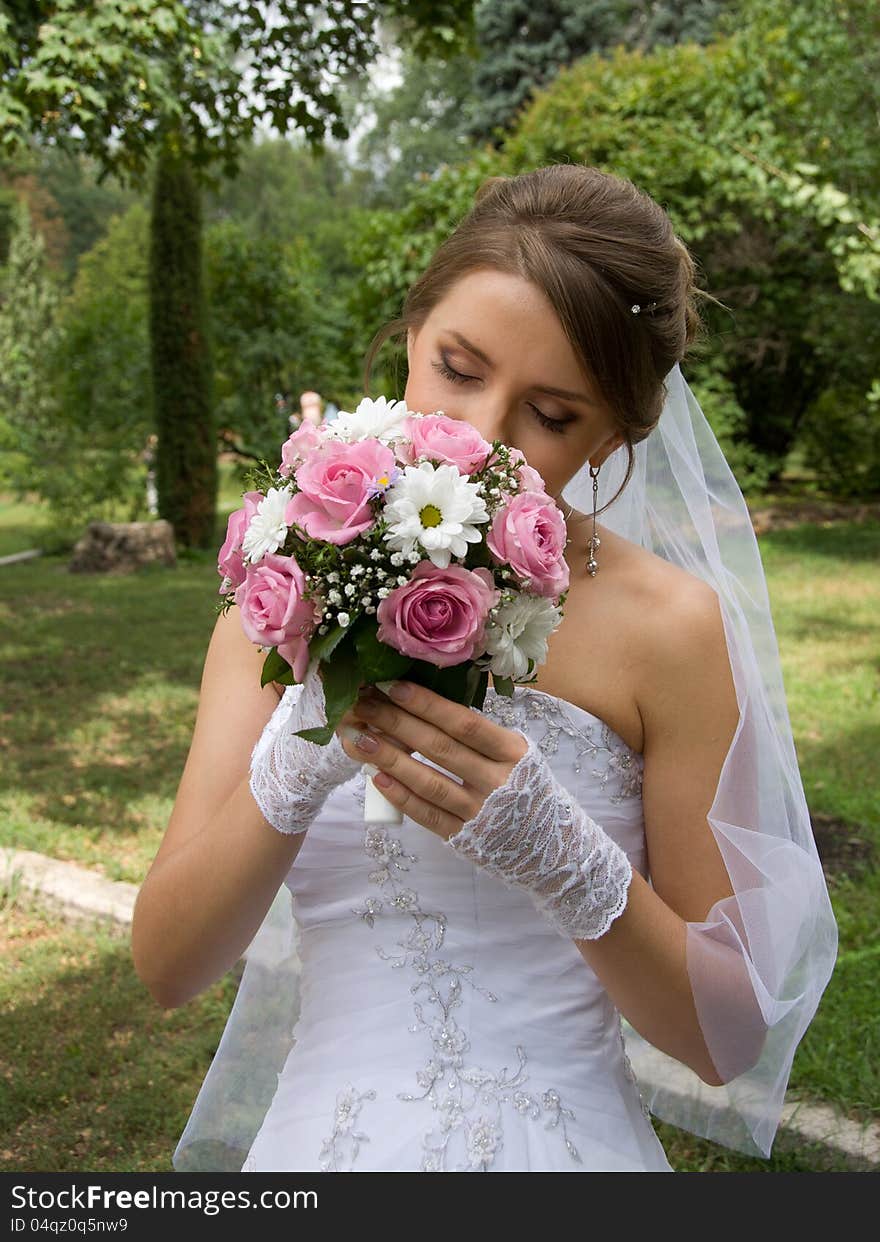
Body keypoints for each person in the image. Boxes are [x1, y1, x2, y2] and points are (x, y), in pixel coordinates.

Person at [132, 164, 837, 1173]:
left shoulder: (670, 630)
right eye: (457, 368)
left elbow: (722, 1041)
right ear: (412, 334)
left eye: (550, 415)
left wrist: (571, 861)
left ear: (614, 433)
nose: (480, 435)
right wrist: (295, 760)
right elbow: (166, 966)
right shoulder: (283, 592)